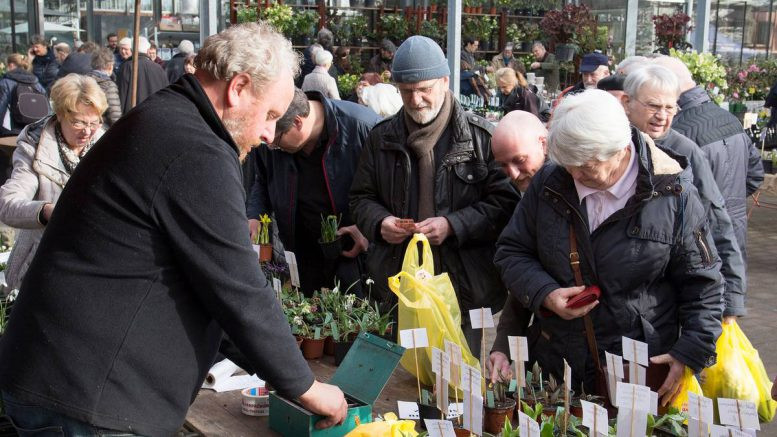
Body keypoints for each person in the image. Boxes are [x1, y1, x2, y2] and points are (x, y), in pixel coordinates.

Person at [0, 22, 347, 436]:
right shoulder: (197, 147)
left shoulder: (167, 116)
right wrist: (307, 388)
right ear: (238, 87)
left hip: (62, 381)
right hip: (89, 399)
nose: (270, 134)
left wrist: (267, 363)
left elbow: (201, 276)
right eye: (270, 115)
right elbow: (236, 284)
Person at [493, 89, 723, 404]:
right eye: (568, 165)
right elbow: (511, 252)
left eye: (585, 167)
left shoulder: (673, 196)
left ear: (619, 150)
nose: (575, 175)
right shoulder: (550, 181)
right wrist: (546, 293)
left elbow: (704, 286)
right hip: (557, 364)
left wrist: (689, 354)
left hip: (638, 369)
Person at [349, 36, 519, 357]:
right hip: (402, 280)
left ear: (444, 81)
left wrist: (453, 225)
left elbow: (505, 205)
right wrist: (380, 222)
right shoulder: (381, 137)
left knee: (459, 378)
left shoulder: (481, 138)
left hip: (464, 283)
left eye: (424, 89)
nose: (415, 100)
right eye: (406, 91)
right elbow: (360, 198)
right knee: (407, 375)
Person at [621, 64, 746, 321]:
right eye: (654, 106)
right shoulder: (612, 145)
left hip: (663, 297)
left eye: (670, 107)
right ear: (626, 102)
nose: (662, 116)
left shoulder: (686, 152)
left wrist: (731, 301)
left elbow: (717, 221)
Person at [247, 88, 380, 296]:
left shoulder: (361, 127)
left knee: (356, 319)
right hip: (302, 254)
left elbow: (391, 191)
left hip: (354, 255)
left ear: (298, 122)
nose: (270, 143)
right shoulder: (272, 132)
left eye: (277, 141)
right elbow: (262, 181)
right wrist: (254, 215)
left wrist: (368, 228)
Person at [0, 74, 107, 294]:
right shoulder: (34, 146)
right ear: (60, 114)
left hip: (90, 263)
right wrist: (45, 211)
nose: (87, 131)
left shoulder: (105, 143)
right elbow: (8, 204)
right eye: (77, 122)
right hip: (40, 263)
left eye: (93, 122)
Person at [654, 55, 763, 262]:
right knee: (732, 289)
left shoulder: (676, 132)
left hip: (698, 240)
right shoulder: (730, 119)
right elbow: (755, 176)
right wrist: (729, 203)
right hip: (733, 232)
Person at [486, 111, 549, 382]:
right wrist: (503, 346)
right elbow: (522, 281)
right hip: (550, 342)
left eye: (519, 161)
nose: (512, 174)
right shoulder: (528, 203)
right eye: (503, 165)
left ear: (543, 143)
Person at [117, 36, 169, 114]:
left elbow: (121, 95)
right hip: (155, 113)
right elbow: (166, 95)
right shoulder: (158, 68)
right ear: (147, 51)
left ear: (132, 49)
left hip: (133, 115)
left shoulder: (126, 67)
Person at [0, 54, 48, 136]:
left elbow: (1, 106)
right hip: (35, 131)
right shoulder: (36, 83)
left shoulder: (6, 82)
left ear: (11, 65)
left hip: (11, 131)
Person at [87, 47, 122, 126]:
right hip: (102, 127)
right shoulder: (109, 85)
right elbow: (115, 115)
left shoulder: (84, 80)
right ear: (110, 66)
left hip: (85, 124)